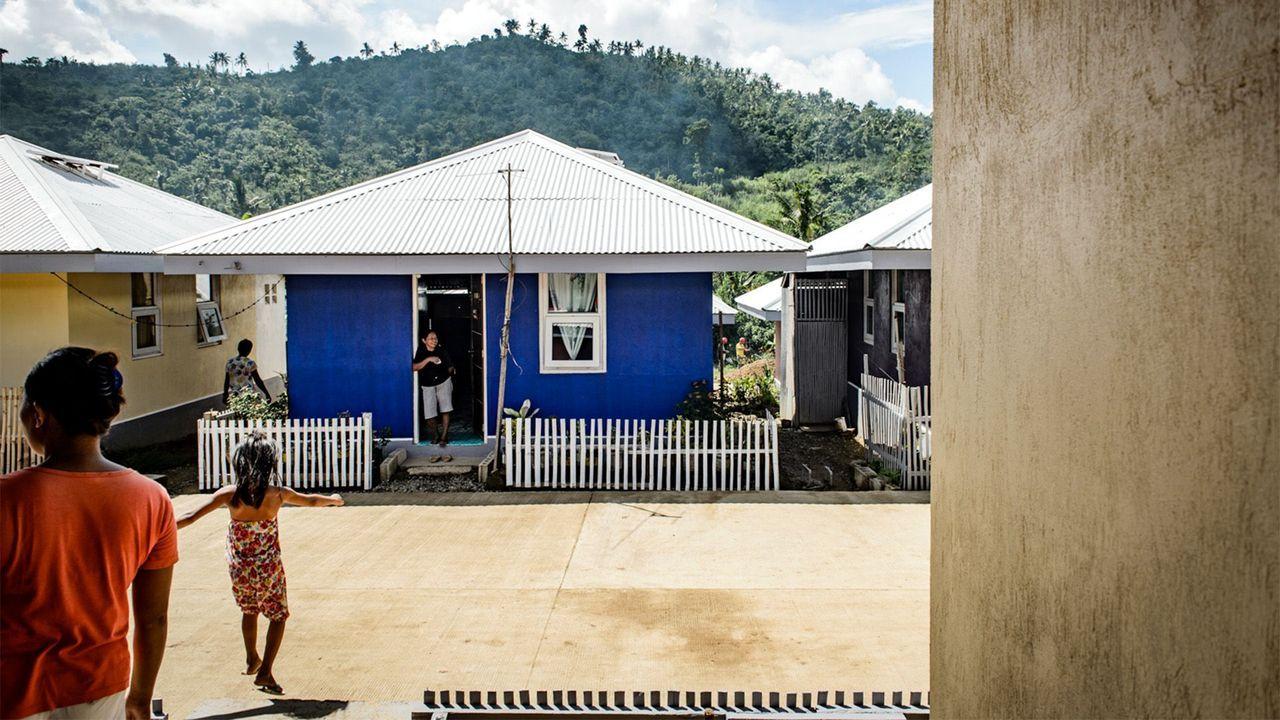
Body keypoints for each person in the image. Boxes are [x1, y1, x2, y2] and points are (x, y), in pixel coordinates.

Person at [1, 348, 176, 720]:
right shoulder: (151, 498)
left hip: (13, 691)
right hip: (102, 689)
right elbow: (153, 619)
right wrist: (140, 699)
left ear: (38, 414)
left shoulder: (7, 498)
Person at [176, 432, 342, 695]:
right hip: (269, 567)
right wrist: (333, 500)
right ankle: (265, 671)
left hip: (240, 568)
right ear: (269, 463)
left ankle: (251, 656)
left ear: (239, 462)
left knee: (249, 610)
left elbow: (189, 516)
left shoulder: (230, 494)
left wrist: (158, 528)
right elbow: (310, 499)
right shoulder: (276, 494)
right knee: (278, 616)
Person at [411, 330, 456, 448]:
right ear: (424, 340)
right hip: (427, 384)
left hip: (443, 382)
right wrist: (429, 359)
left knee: (445, 409)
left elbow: (450, 366)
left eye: (435, 338)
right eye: (431, 338)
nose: (434, 340)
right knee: (429, 413)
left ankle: (444, 437)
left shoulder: (442, 351)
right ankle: (435, 434)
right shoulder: (421, 352)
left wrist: (451, 371)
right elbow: (414, 367)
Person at [223, 338, 271, 405]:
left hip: (235, 396)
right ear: (249, 350)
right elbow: (258, 380)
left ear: (238, 349)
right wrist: (266, 393)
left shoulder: (230, 363)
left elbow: (227, 380)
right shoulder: (250, 363)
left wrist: (225, 394)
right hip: (249, 395)